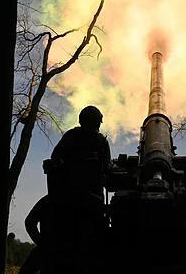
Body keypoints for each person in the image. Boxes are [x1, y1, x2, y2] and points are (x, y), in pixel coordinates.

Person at [48, 105, 111, 273]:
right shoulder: (98, 142)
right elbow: (107, 170)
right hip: (82, 201)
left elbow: (56, 158)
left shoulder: (72, 137)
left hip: (74, 199)